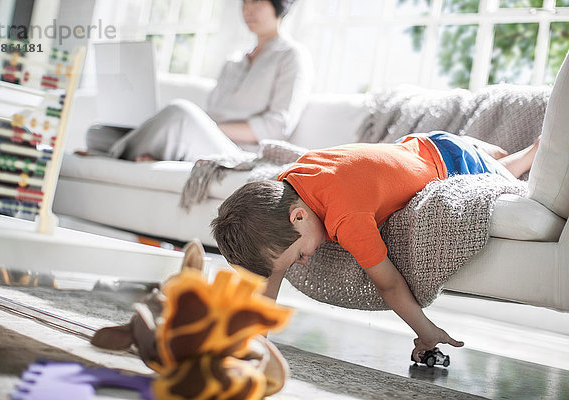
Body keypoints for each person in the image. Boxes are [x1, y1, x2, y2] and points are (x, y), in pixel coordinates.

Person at [211, 131, 540, 362]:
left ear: (298, 217)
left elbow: (390, 284)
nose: (304, 262)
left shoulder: (347, 218)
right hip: (422, 143)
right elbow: (274, 272)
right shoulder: (290, 180)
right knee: (496, 158)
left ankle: (531, 153)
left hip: (453, 164)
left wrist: (428, 332)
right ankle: (507, 155)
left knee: (508, 176)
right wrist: (256, 342)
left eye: (299, 255)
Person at [84, 0, 312, 162]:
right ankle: (135, 151)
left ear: (279, 5)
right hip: (204, 138)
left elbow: (276, 127)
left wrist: (209, 128)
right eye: (244, 2)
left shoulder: (291, 56)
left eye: (256, 1)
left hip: (237, 151)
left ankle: (115, 155)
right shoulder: (234, 61)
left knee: (180, 113)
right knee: (98, 132)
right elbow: (213, 111)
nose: (247, 9)